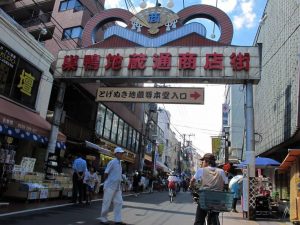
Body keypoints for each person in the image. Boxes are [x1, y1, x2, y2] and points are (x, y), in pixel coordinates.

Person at [189, 153, 228, 225]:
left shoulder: (201, 170)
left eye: (203, 161)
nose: (202, 163)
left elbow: (192, 181)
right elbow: (226, 184)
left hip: (205, 199)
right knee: (214, 213)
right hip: (217, 200)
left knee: (199, 220)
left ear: (207, 162)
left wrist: (191, 187)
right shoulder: (221, 171)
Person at [99, 147, 126, 225]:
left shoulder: (120, 163)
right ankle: (103, 219)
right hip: (110, 186)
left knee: (119, 202)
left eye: (122, 153)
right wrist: (106, 182)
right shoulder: (112, 162)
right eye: (120, 153)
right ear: (116, 154)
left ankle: (118, 220)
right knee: (106, 203)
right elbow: (106, 173)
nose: (121, 155)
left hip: (117, 186)